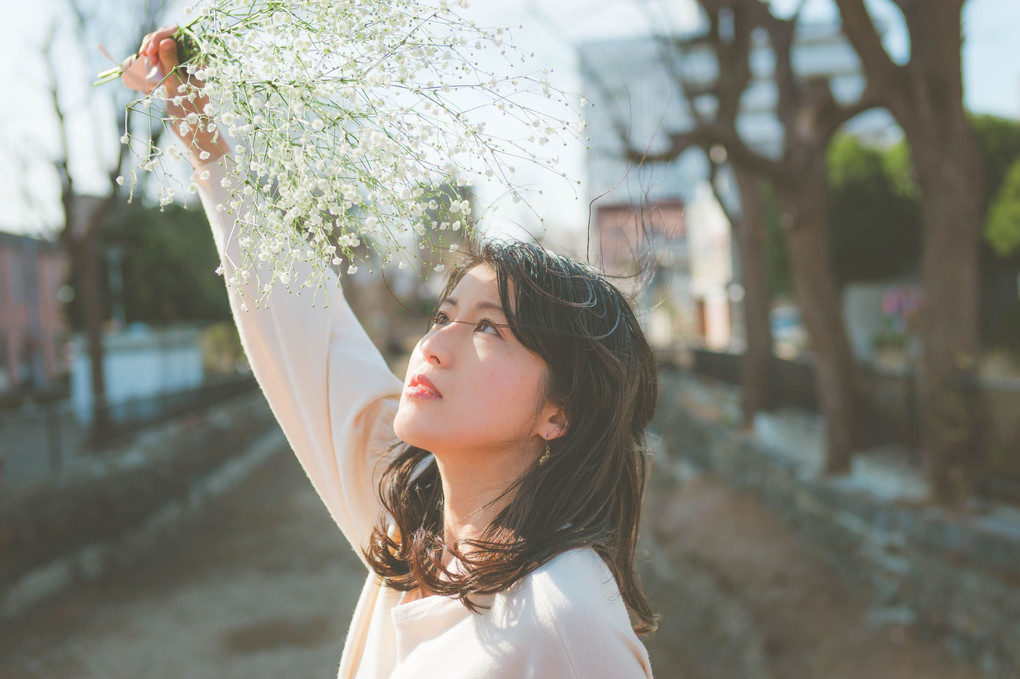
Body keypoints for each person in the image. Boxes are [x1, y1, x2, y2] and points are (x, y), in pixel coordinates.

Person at [133, 26, 659, 678]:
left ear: (558, 412)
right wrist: (208, 149)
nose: (433, 345)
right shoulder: (410, 526)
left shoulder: (566, 620)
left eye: (489, 329)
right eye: (443, 315)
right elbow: (312, 334)